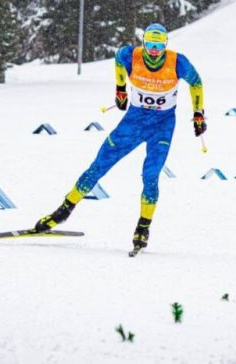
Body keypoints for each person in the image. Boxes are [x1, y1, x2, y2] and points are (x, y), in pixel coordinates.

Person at [33, 23, 206, 254]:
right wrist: (120, 90)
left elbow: (196, 82)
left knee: (151, 175)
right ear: (143, 43)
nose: (154, 51)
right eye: (150, 44)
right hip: (133, 122)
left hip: (162, 126)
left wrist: (198, 114)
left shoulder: (177, 62)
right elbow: (118, 60)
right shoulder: (130, 56)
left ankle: (143, 228)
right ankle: (62, 212)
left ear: (166, 45)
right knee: (99, 166)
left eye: (159, 45)